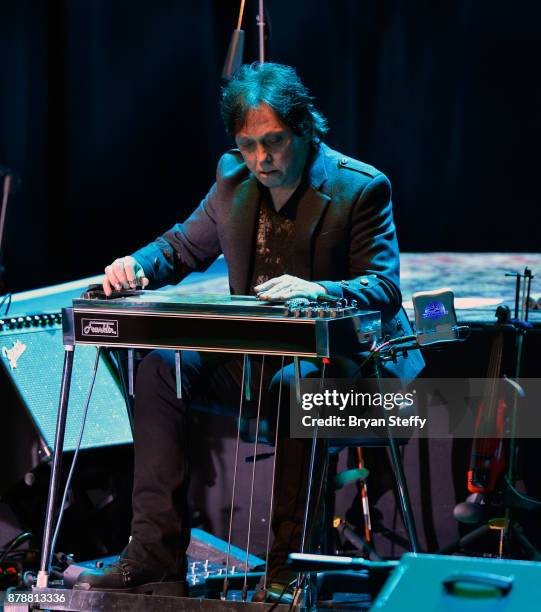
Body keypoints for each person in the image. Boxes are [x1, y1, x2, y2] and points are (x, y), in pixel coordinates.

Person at [74, 62, 423, 601]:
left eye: (276, 142)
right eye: (249, 144)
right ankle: (152, 557)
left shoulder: (361, 188)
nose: (262, 158)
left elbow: (383, 288)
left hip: (355, 375)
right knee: (162, 366)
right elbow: (180, 246)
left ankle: (287, 572)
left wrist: (322, 291)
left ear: (305, 129)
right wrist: (136, 266)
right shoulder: (233, 178)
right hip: (259, 362)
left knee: (296, 383)